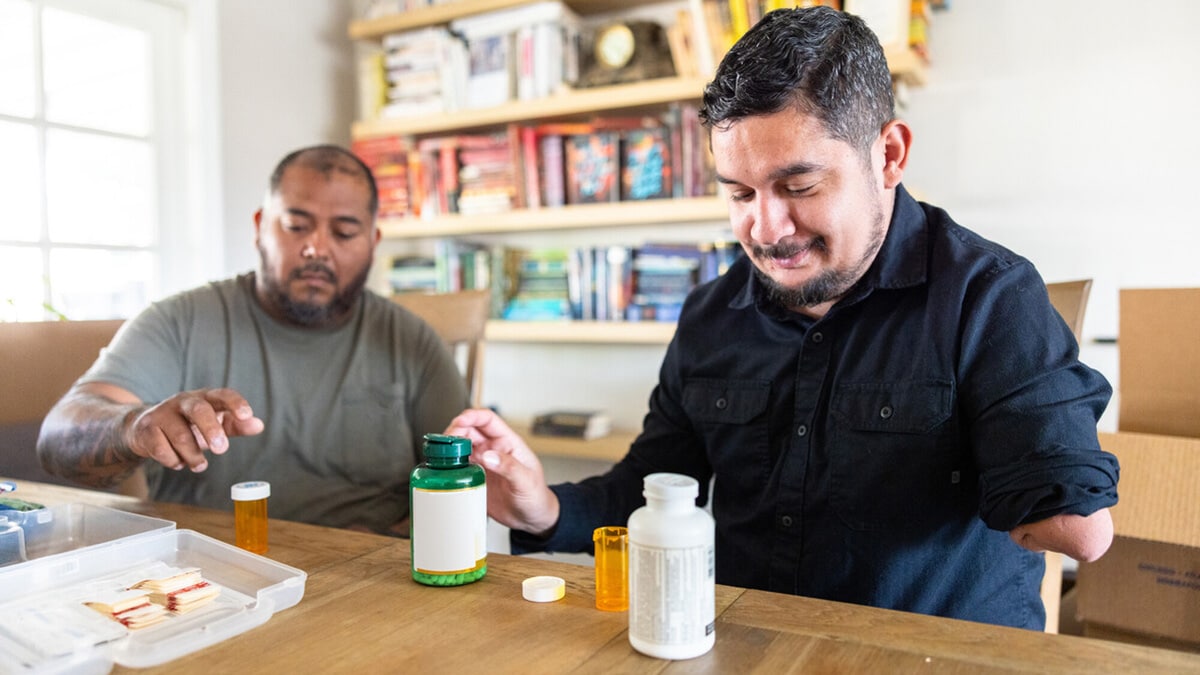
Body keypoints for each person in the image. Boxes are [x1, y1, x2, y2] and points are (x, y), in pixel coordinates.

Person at [447, 7, 1118, 630]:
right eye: (739, 193)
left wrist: (1045, 483)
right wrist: (543, 506)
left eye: (799, 187)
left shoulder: (990, 297)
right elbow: (648, 487)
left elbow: (1082, 530)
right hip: (742, 650)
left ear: (888, 155)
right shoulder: (711, 314)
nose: (766, 229)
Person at [37, 145, 469, 534]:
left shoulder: (413, 343)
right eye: (297, 226)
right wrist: (134, 426)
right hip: (206, 580)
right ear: (261, 226)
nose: (316, 248)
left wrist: (390, 546)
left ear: (373, 242)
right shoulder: (179, 321)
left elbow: (468, 479)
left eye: (343, 233)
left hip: (367, 581)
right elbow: (58, 436)